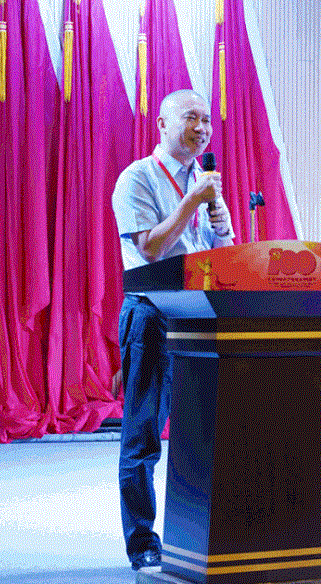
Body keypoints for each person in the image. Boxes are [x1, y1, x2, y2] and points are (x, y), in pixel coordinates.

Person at [111, 89, 233, 570]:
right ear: (162, 124)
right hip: (152, 313)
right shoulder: (137, 178)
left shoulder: (203, 185)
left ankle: (196, 536)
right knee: (143, 435)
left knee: (201, 432)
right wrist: (190, 202)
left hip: (198, 315)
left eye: (206, 120)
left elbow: (217, 256)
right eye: (190, 118)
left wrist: (220, 226)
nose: (202, 128)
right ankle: (142, 540)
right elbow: (151, 250)